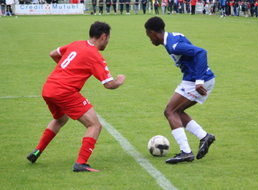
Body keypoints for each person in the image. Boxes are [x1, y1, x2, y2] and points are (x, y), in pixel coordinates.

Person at [26, 21, 126, 172]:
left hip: (48, 88)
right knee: (94, 125)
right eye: (108, 38)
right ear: (103, 36)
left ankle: (37, 151)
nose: (108, 42)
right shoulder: (95, 55)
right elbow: (109, 84)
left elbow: (53, 53)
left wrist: (68, 70)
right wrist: (119, 80)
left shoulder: (76, 44)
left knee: (60, 119)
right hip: (64, 92)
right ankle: (81, 163)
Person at [144, 17, 216, 164]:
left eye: (148, 36)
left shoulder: (173, 46)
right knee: (177, 111)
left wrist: (199, 80)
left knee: (170, 112)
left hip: (197, 80)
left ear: (153, 33)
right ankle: (204, 136)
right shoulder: (173, 36)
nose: (150, 40)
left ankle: (186, 152)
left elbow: (201, 52)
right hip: (194, 78)